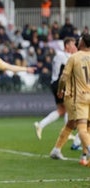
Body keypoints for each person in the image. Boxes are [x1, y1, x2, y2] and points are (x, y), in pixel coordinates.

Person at [34, 37, 77, 140]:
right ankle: (68, 130)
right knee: (69, 107)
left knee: (62, 110)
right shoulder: (63, 56)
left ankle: (41, 125)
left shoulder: (63, 55)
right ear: (67, 46)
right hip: (59, 84)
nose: (74, 47)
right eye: (73, 44)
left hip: (57, 83)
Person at [58, 33, 90, 166]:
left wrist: (60, 89)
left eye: (80, 39)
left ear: (82, 43)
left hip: (81, 97)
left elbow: (64, 77)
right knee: (89, 128)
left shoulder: (74, 57)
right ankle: (84, 157)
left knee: (82, 128)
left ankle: (87, 152)